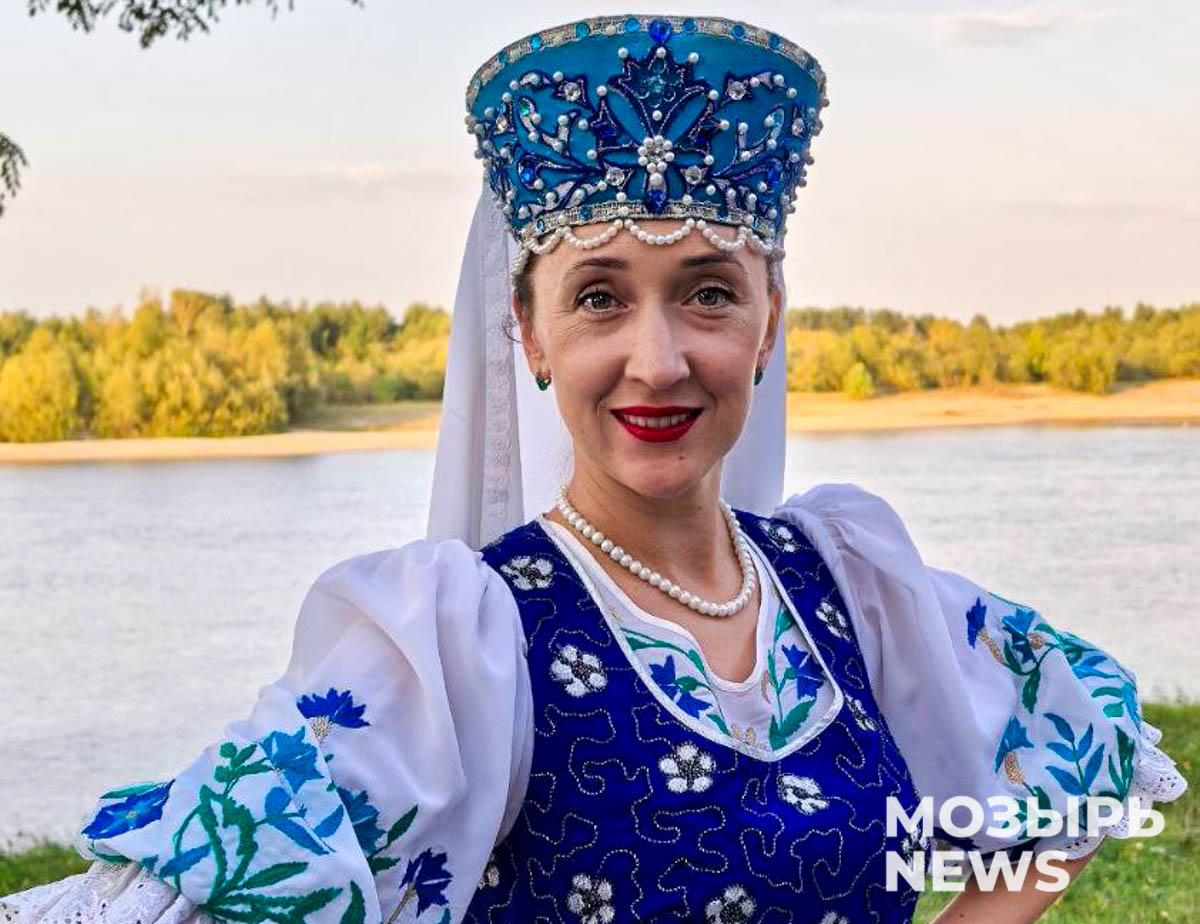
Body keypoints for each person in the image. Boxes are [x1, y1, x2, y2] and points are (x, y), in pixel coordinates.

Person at [2, 13, 1188, 924]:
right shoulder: (468, 648)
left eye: (708, 292)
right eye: (600, 299)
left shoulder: (850, 588)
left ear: (770, 323)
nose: (657, 361)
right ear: (527, 334)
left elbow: (1087, 764)